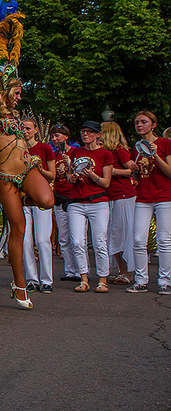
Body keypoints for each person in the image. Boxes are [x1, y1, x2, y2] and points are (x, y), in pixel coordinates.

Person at [0, 66, 54, 309]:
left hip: (27, 171)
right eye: (18, 92)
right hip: (6, 177)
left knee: (47, 201)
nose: (20, 97)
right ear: (6, 91)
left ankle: (23, 201)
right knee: (19, 230)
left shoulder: (15, 117)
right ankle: (20, 284)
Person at [64, 121, 114, 293]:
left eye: (89, 132)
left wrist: (92, 175)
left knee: (100, 241)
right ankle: (83, 277)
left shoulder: (105, 154)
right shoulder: (76, 152)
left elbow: (106, 183)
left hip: (98, 201)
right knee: (77, 241)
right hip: (77, 200)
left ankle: (102, 279)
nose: (85, 135)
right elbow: (71, 174)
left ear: (97, 135)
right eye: (83, 131)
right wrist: (72, 177)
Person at [127, 111, 171, 294]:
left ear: (153, 125)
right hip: (143, 196)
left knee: (164, 241)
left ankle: (165, 281)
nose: (139, 125)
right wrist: (134, 171)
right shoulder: (136, 147)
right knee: (138, 240)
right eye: (137, 122)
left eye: (143, 122)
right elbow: (137, 175)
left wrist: (155, 155)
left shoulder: (165, 143)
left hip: (164, 196)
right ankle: (141, 280)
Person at [21, 119, 56, 292]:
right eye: (23, 128)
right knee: (26, 240)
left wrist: (38, 168)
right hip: (23, 200)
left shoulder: (45, 148)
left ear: (35, 130)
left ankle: (47, 279)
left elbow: (52, 174)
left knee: (42, 240)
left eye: (28, 128)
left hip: (41, 200)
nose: (25, 131)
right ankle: (31, 279)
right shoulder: (17, 147)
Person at [101, 121, 136, 285]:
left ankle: (126, 271)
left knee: (120, 233)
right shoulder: (106, 152)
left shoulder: (118, 151)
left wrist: (112, 171)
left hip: (122, 195)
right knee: (113, 234)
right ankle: (122, 270)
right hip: (111, 195)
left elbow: (131, 169)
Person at [50, 125, 78, 281]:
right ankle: (70, 270)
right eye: (53, 136)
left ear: (66, 136)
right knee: (63, 237)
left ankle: (82, 269)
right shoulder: (53, 155)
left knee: (77, 236)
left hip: (74, 197)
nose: (55, 139)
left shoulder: (75, 152)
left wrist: (69, 163)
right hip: (59, 196)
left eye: (58, 136)